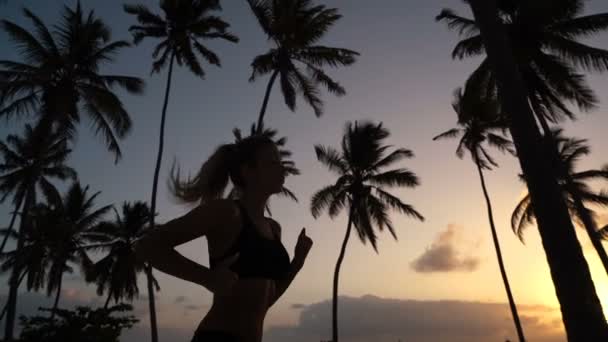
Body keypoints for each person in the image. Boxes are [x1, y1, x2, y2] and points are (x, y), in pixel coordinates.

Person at [134, 135, 313, 342]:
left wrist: (297, 263)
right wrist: (206, 278)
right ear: (248, 171)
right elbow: (147, 246)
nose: (282, 169)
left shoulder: (274, 228)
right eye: (273, 163)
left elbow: (266, 300)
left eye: (281, 163)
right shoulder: (227, 212)